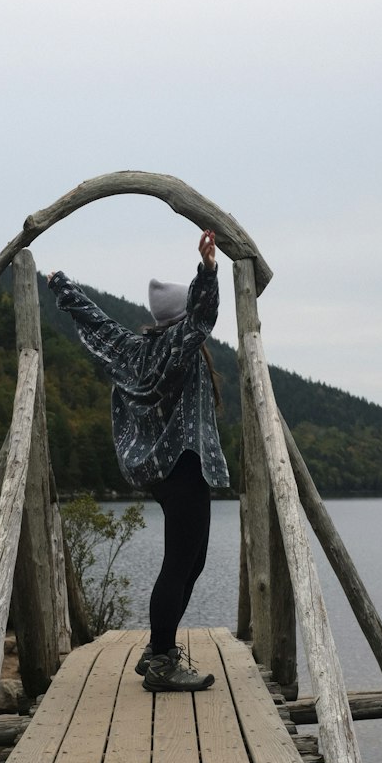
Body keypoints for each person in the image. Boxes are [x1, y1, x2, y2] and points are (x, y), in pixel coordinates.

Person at [48, 229, 229, 692]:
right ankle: (164, 661)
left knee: (192, 561)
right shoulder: (179, 345)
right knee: (181, 562)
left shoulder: (134, 350)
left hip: (158, 471)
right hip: (185, 468)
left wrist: (60, 285)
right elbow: (204, 314)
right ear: (181, 319)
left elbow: (96, 324)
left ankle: (157, 649)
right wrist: (208, 271)